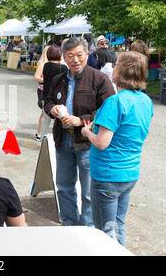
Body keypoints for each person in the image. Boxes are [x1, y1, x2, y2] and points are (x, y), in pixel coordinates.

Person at [81, 51, 153, 245]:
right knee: (117, 224)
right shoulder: (145, 101)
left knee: (105, 231)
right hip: (129, 172)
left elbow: (102, 143)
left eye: (117, 64)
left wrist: (87, 132)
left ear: (123, 70)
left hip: (108, 174)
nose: (113, 67)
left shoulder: (115, 102)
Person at [44, 37, 116, 227]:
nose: (75, 60)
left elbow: (109, 110)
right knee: (64, 187)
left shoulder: (99, 79)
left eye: (79, 55)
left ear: (87, 54)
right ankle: (69, 224)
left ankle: (87, 228)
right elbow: (48, 101)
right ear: (64, 58)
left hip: (87, 143)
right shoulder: (59, 79)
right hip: (63, 140)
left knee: (88, 191)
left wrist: (81, 121)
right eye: (70, 56)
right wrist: (52, 109)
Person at [40, 44, 68, 140]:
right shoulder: (63, 68)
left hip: (46, 95)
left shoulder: (46, 66)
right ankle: (57, 139)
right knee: (59, 119)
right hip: (58, 97)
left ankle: (42, 139)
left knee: (46, 120)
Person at [34, 45, 49, 140]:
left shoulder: (56, 63)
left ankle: (43, 133)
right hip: (43, 90)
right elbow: (36, 77)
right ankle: (39, 133)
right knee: (44, 112)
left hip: (51, 90)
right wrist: (47, 80)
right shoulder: (42, 64)